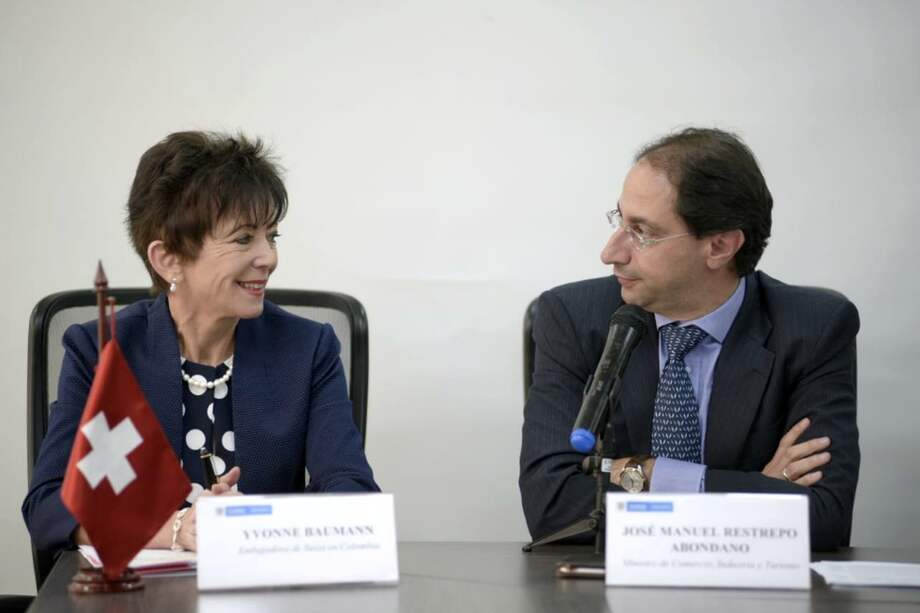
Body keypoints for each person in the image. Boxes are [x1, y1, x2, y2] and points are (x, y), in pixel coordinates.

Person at [24, 131, 378, 555]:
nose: (269, 257)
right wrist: (178, 530)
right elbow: (49, 507)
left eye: (272, 236)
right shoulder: (102, 351)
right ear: (169, 258)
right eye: (244, 238)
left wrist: (255, 525)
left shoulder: (308, 348)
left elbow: (353, 493)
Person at [519, 127, 859, 550]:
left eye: (642, 232)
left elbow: (823, 517)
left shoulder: (813, 327)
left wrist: (643, 475)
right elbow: (552, 506)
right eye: (620, 220)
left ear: (719, 246)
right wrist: (759, 490)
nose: (612, 252)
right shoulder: (573, 318)